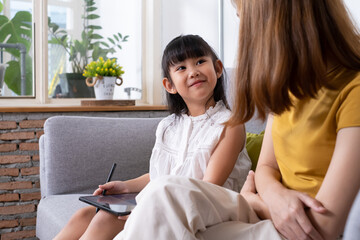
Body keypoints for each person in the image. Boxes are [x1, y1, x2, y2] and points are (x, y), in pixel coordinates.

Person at [116, 0, 360, 239]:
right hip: (267, 212)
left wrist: (258, 202)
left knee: (161, 208)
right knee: (163, 195)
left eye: (241, 14)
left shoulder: (353, 89)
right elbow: (266, 167)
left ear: (272, 19)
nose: (241, 25)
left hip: (298, 228)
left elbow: (324, 227)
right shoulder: (287, 88)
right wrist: (271, 197)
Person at [53, 34, 251, 240]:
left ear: (217, 69)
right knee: (84, 214)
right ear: (169, 85)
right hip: (168, 202)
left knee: (105, 219)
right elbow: (161, 176)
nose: (193, 72)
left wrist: (144, 212)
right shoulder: (168, 127)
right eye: (181, 68)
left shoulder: (229, 124)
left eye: (200, 61)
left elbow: (206, 189)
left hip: (204, 209)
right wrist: (125, 186)